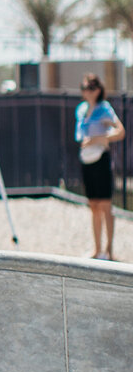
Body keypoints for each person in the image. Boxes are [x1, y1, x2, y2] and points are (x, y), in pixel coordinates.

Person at [75, 74, 125, 261]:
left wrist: (100, 139)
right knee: (93, 205)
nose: (84, 91)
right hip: (86, 160)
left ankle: (109, 250)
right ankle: (97, 250)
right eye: (83, 87)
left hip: (101, 159)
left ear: (96, 90)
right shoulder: (81, 109)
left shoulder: (104, 109)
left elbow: (120, 131)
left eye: (88, 88)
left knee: (105, 205)